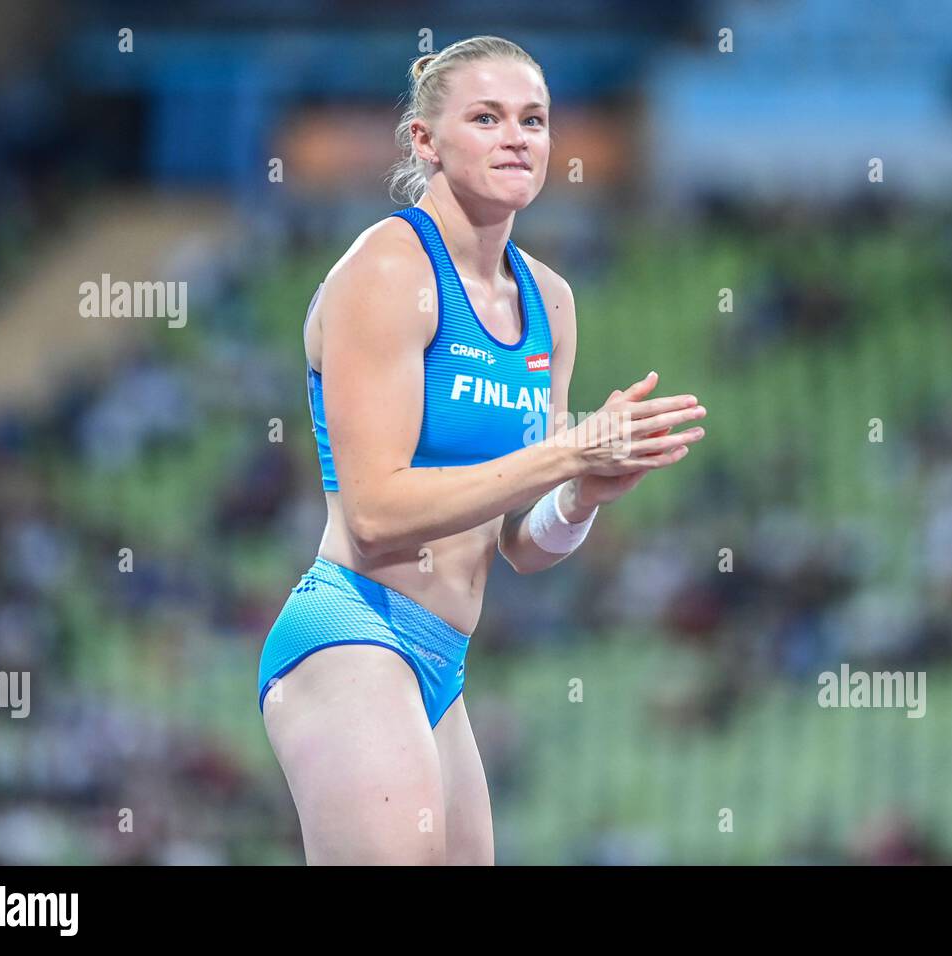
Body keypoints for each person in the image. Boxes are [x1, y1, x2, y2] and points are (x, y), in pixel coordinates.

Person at [258, 35, 708, 865]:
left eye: (534, 119)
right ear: (425, 142)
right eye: (487, 117)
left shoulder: (550, 303)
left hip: (442, 661)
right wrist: (567, 455)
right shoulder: (388, 271)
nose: (517, 138)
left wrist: (581, 496)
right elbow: (376, 512)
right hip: (355, 632)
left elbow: (521, 545)